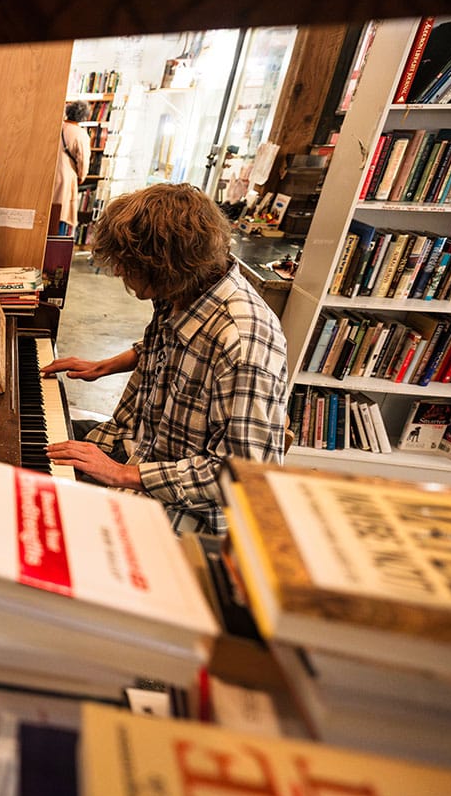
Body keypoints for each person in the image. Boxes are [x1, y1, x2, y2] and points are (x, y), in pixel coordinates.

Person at [41, 183, 288, 535]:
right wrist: (108, 364)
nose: (119, 273)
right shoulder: (182, 291)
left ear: (165, 265)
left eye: (127, 265)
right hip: (139, 444)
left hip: (182, 514)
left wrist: (121, 473)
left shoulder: (242, 342)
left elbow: (244, 476)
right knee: (34, 447)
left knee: (43, 525)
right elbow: (169, 347)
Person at [51, 101, 91, 236]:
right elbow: (83, 160)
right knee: (61, 215)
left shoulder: (56, 126)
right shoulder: (80, 134)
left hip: (49, 173)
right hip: (66, 177)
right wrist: (81, 176)